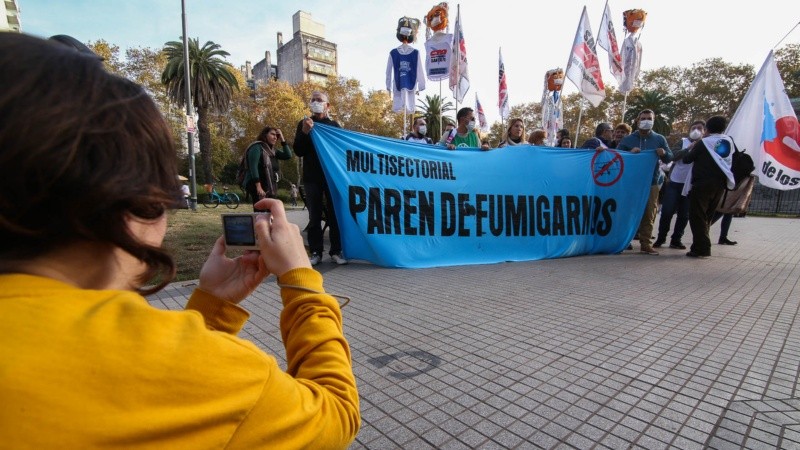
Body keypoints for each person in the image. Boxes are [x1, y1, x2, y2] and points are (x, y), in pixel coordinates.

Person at [0, 33, 359, 447]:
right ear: (137, 203)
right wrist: (300, 281)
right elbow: (335, 413)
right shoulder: (220, 378)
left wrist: (212, 308)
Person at [294, 90, 348, 265]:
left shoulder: (334, 126)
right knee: (314, 216)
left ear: (327, 105)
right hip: (312, 177)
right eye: (313, 100)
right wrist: (304, 132)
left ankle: (336, 251)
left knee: (335, 215)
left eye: (319, 100)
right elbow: (298, 150)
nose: (316, 102)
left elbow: (342, 151)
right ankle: (316, 252)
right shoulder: (304, 124)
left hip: (331, 177)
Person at [617, 109, 673, 255]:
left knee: (649, 213)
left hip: (652, 181)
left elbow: (670, 158)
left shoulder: (659, 139)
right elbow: (617, 157)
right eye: (643, 118)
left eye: (649, 118)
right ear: (637, 120)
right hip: (632, 182)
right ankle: (624, 241)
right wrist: (630, 154)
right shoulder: (628, 140)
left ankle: (646, 244)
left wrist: (664, 153)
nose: (646, 120)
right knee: (629, 212)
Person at [683, 115, 736, 258]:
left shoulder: (704, 143)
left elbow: (687, 159)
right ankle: (698, 245)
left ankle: (703, 248)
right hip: (719, 185)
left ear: (707, 129)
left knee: (697, 216)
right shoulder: (728, 141)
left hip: (702, 185)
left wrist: (693, 147)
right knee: (707, 216)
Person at [654, 120, 705, 250]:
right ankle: (661, 238)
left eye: (699, 128)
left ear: (704, 131)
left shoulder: (705, 145)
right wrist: (688, 149)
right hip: (675, 182)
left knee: (684, 215)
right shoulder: (682, 142)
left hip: (690, 185)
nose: (696, 131)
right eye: (694, 128)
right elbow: (672, 156)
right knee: (667, 212)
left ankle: (676, 239)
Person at [243, 126, 292, 212]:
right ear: (265, 135)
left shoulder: (273, 151)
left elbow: (288, 155)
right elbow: (253, 167)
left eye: (277, 135)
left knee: (270, 212)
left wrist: (282, 139)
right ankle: (260, 225)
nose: (275, 137)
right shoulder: (257, 147)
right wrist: (258, 187)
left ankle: (268, 225)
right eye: (272, 134)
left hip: (269, 185)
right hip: (258, 185)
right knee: (261, 212)